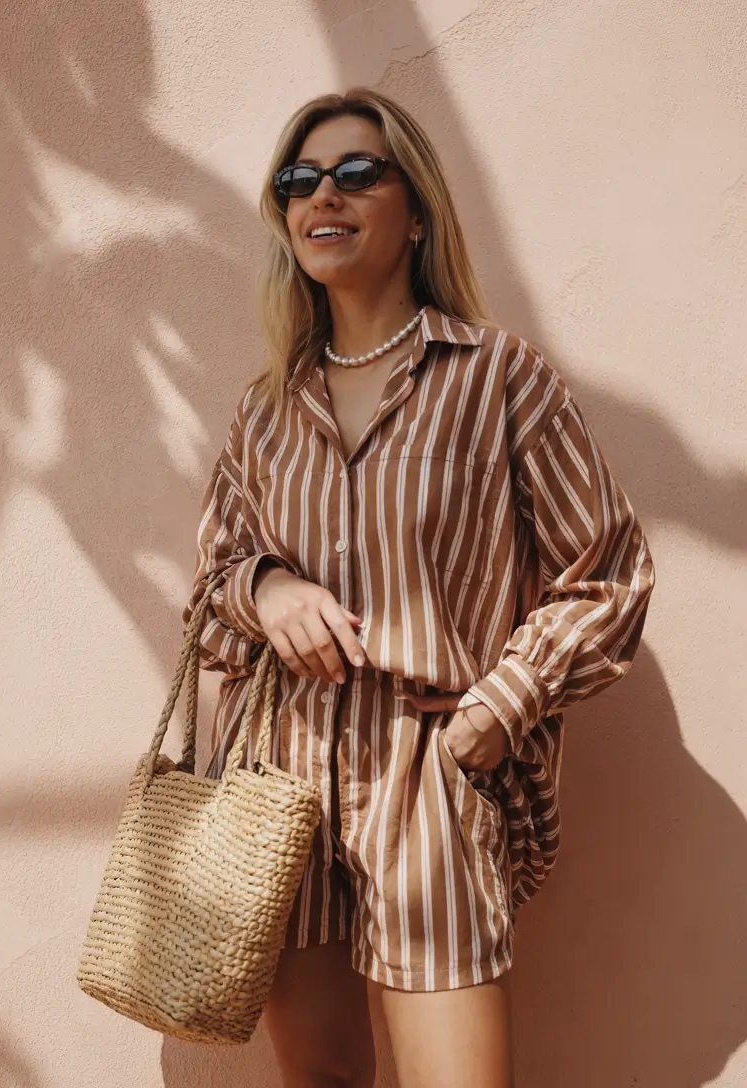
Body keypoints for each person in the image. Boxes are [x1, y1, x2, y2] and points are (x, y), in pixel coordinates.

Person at [184, 88, 654, 1088]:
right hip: (280, 781)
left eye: (357, 172)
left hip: (427, 776)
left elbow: (608, 574)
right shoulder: (267, 410)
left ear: (416, 212)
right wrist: (267, 589)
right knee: (318, 1078)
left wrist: (496, 710)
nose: (324, 194)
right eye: (299, 179)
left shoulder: (498, 377)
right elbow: (212, 585)